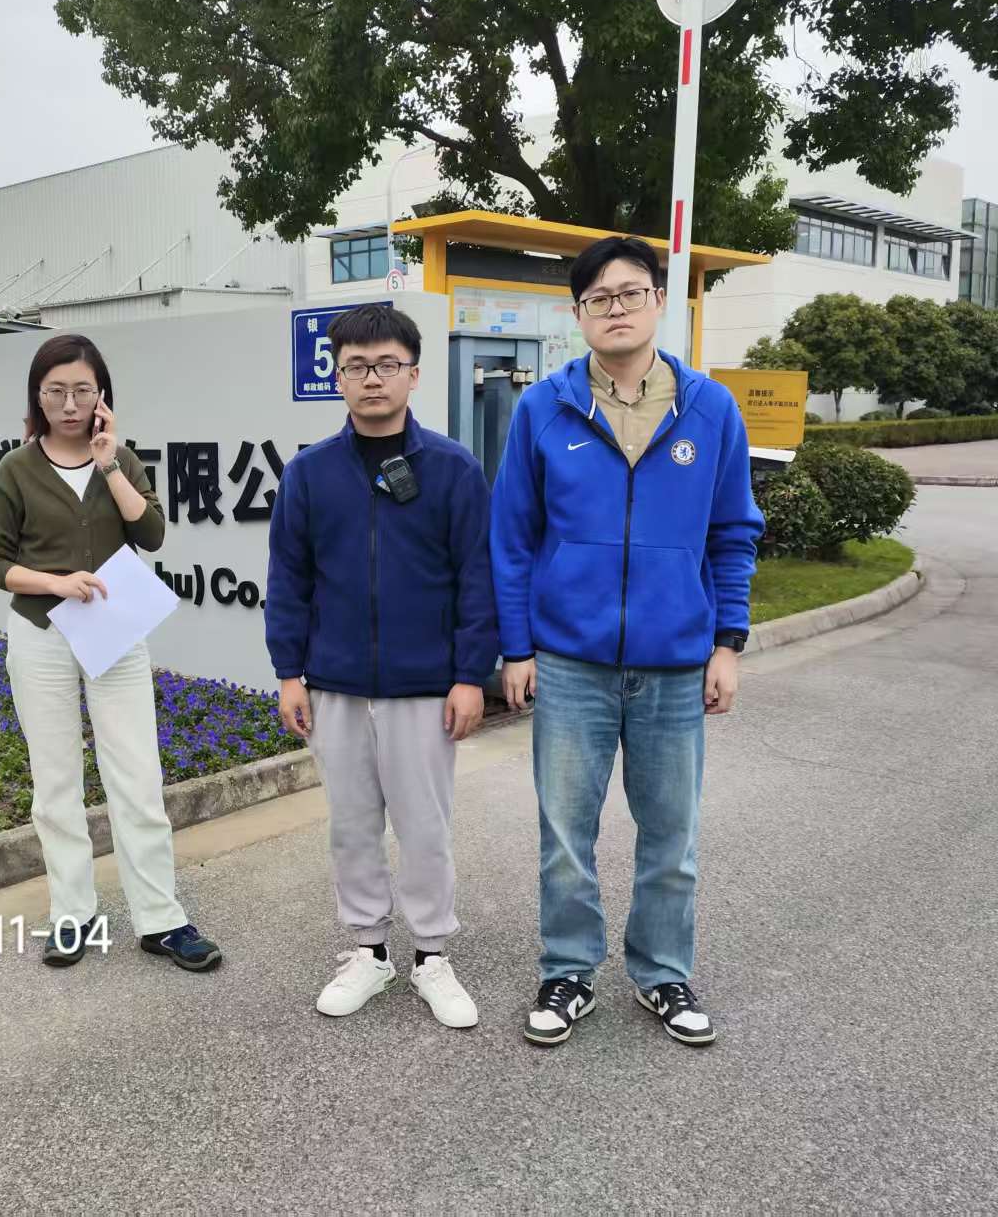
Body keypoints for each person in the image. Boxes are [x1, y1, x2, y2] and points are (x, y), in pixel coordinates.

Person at [489, 236, 764, 1048]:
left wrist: (727, 642)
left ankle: (662, 971)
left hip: (675, 663)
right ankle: (568, 968)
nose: (616, 308)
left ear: (658, 302)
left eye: (631, 292)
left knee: (671, 836)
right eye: (599, 297)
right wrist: (517, 648)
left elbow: (733, 532)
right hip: (569, 661)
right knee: (565, 833)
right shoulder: (544, 409)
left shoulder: (710, 409)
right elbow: (512, 537)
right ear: (578, 314)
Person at [265, 303, 498, 1028]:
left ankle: (432, 955)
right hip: (334, 683)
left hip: (423, 685)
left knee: (425, 826)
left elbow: (477, 579)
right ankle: (369, 949)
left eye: (387, 364)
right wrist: (289, 671)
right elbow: (289, 578)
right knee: (352, 824)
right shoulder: (309, 473)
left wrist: (469, 675)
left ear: (413, 374)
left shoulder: (454, 470)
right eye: (357, 366)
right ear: (337, 375)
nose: (372, 379)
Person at [0, 333, 221, 972]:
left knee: (137, 776)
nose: (69, 403)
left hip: (115, 634)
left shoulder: (122, 460)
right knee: (55, 779)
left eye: (82, 390)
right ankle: (73, 914)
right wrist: (54, 583)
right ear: (37, 396)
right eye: (55, 391)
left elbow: (152, 533)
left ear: (102, 396)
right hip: (42, 634)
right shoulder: (16, 469)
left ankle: (161, 918)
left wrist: (109, 464)